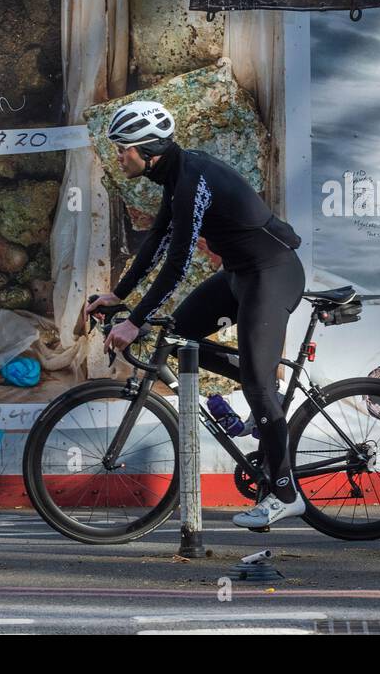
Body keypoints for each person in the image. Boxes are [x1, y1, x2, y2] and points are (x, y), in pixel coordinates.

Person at [84, 99, 308, 527]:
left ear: (146, 149)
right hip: (240, 275)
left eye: (121, 149)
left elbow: (179, 262)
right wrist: (118, 296)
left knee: (256, 386)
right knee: (180, 336)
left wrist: (135, 321)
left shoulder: (191, 179)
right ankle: (263, 382)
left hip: (273, 274)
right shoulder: (174, 176)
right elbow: (156, 242)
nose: (118, 157)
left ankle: (284, 493)